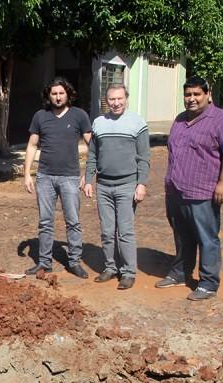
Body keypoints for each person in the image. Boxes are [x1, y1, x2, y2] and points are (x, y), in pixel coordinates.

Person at [156, 75, 223, 301]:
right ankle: (181, 273)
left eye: (196, 94)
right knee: (182, 235)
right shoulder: (180, 119)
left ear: (207, 94)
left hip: (203, 191)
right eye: (188, 94)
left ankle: (208, 283)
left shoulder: (222, 120)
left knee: (207, 237)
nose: (192, 99)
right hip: (176, 190)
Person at [24, 77, 92, 278]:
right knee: (45, 222)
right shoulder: (40, 116)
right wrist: (27, 173)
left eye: (61, 93)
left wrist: (88, 175)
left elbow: (93, 146)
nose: (58, 97)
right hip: (45, 177)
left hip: (70, 178)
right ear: (49, 96)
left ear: (68, 94)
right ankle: (44, 263)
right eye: (54, 93)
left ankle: (74, 262)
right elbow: (31, 145)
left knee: (73, 221)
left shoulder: (79, 115)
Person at [83, 84, 150, 290]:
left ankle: (129, 272)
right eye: (112, 99)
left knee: (125, 231)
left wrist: (141, 183)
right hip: (103, 185)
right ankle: (111, 267)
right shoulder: (99, 123)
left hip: (127, 185)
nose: (116, 103)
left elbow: (143, 157)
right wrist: (87, 179)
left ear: (126, 98)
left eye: (120, 98)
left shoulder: (137, 123)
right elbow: (93, 154)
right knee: (106, 230)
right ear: (107, 100)